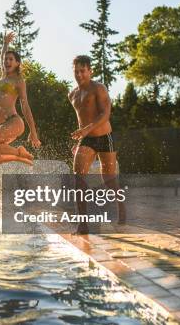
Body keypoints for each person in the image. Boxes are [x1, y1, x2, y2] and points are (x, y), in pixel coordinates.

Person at [68, 55, 125, 234]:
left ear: (90, 71)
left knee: (108, 179)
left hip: (104, 137)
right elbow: (81, 118)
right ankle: (82, 224)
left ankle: (121, 206)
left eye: (82, 71)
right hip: (86, 140)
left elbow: (105, 114)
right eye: (76, 71)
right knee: (79, 178)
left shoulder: (98, 88)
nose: (79, 75)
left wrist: (86, 130)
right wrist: (80, 140)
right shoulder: (72, 94)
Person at [0, 32, 41, 166]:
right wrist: (5, 44)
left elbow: (25, 106)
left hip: (13, 122)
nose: (7, 61)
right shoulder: (3, 76)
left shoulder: (18, 81)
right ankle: (19, 157)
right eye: (6, 59)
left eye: (11, 59)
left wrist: (33, 132)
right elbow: (2, 56)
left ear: (17, 63)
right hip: (1, 125)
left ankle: (19, 151)